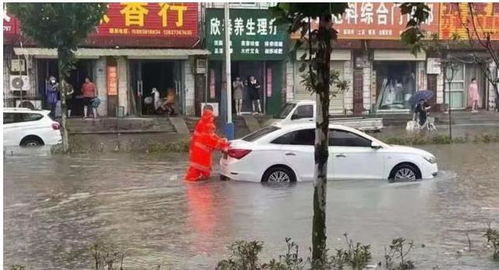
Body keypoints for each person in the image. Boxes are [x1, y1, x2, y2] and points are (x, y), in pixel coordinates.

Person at [185, 106, 229, 181]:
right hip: (202, 152)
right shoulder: (208, 125)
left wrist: (220, 140)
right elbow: (210, 139)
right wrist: (223, 143)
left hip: (197, 150)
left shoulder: (201, 123)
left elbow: (211, 137)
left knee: (196, 170)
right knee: (198, 170)